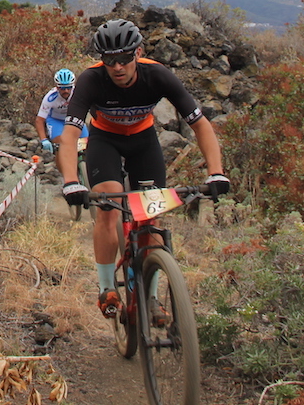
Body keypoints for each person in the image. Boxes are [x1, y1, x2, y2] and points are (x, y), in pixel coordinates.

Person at [54, 18, 230, 319]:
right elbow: (70, 136)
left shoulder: (157, 75)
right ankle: (107, 288)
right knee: (109, 204)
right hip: (105, 140)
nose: (117, 67)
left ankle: (150, 297)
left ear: (138, 53)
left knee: (151, 216)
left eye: (124, 58)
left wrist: (216, 172)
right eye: (109, 60)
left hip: (143, 141)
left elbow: (200, 125)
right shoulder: (91, 80)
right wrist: (71, 181)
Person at [34, 68, 88, 153]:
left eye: (69, 88)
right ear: (57, 87)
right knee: (61, 143)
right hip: (56, 120)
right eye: (62, 88)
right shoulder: (50, 98)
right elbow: (39, 120)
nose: (66, 91)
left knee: (86, 143)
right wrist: (43, 139)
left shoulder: (78, 93)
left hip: (73, 118)